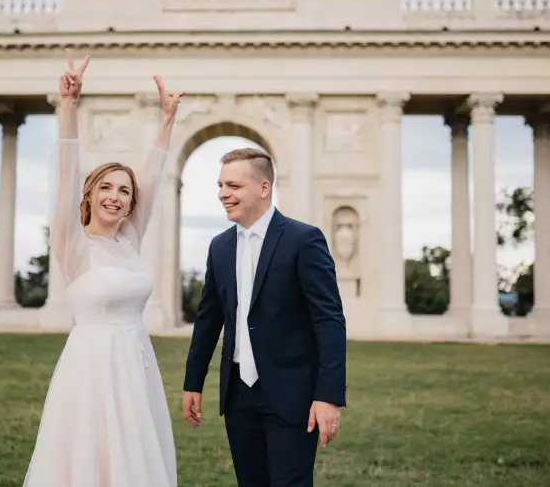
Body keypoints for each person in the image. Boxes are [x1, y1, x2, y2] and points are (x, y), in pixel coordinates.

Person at [21, 49, 184, 487]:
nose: (116, 196)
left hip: (136, 363)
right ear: (90, 195)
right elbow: (66, 173)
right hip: (91, 366)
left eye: (124, 191)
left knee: (134, 457)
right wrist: (69, 107)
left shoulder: (129, 240)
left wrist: (167, 120)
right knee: (89, 456)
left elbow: (151, 174)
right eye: (107, 188)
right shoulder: (74, 244)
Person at [182, 147, 347, 487]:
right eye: (220, 185)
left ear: (263, 187)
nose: (223, 194)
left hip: (293, 394)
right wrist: (193, 383)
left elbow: (329, 320)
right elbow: (209, 319)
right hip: (238, 395)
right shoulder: (219, 246)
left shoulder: (304, 239)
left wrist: (328, 395)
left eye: (233, 186)